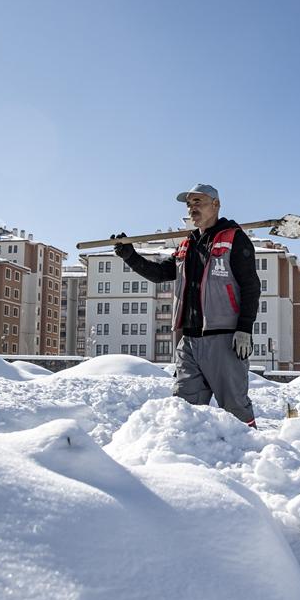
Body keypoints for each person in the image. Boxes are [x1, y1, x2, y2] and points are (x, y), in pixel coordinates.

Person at [112, 183, 261, 427]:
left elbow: (251, 286)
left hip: (224, 339)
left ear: (216, 204)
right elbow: (160, 274)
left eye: (198, 202)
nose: (192, 208)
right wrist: (131, 256)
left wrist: (244, 328)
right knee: (183, 408)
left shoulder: (235, 239)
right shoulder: (186, 245)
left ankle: (252, 456)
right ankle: (188, 461)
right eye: (189, 204)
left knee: (235, 408)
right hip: (188, 340)